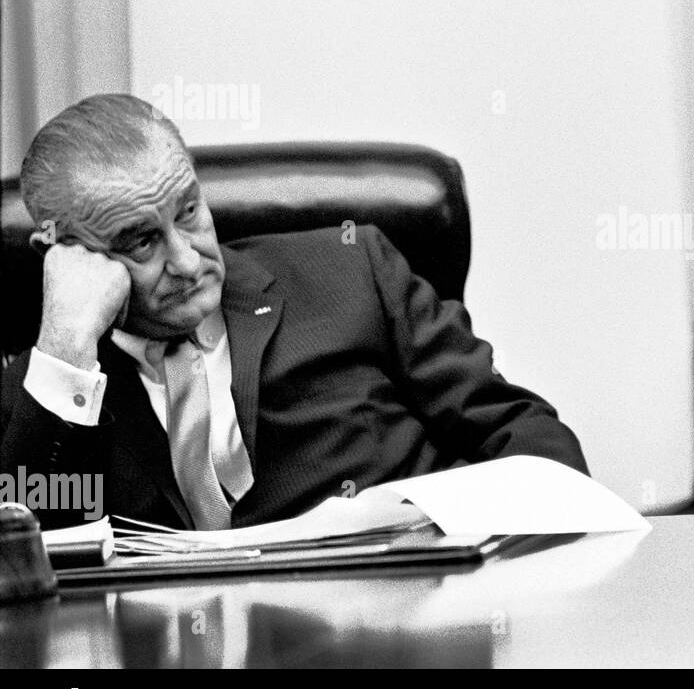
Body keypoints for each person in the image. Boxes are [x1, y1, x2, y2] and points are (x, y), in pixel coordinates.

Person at [1, 94, 587, 529]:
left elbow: (530, 439)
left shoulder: (351, 273)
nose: (185, 260)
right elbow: (23, 569)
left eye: (188, 212)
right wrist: (65, 350)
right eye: (139, 242)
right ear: (62, 256)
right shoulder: (40, 394)